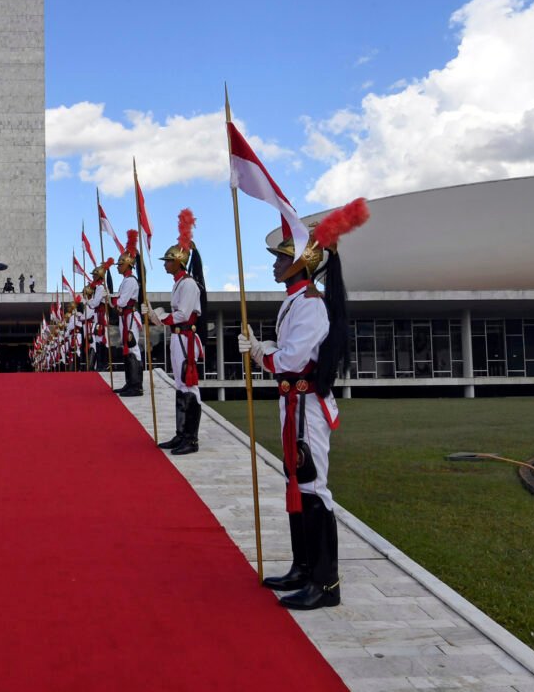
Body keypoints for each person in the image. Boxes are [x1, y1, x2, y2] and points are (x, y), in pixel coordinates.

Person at [238, 198, 368, 611]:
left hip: (307, 407)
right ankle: (303, 566)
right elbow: (292, 352)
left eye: (281, 259)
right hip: (294, 405)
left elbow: (293, 361)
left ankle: (325, 583)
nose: (275, 265)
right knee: (297, 484)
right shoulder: (296, 300)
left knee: (313, 489)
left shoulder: (310, 304)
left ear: (301, 265)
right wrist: (268, 348)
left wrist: (260, 352)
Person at [146, 209, 208, 456]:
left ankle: (191, 439)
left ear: (179, 261)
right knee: (181, 385)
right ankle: (181, 434)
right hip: (178, 337)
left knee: (189, 386)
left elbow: (182, 315)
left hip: (185, 338)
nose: (166, 264)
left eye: (168, 260)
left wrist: (160, 318)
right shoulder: (179, 284)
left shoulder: (189, 284)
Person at [114, 230, 143, 397]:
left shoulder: (131, 281)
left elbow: (122, 302)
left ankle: (136, 385)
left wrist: (115, 303)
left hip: (130, 317)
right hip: (125, 317)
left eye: (120, 264)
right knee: (127, 348)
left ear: (127, 264)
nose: (118, 266)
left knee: (133, 349)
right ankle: (129, 382)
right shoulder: (125, 280)